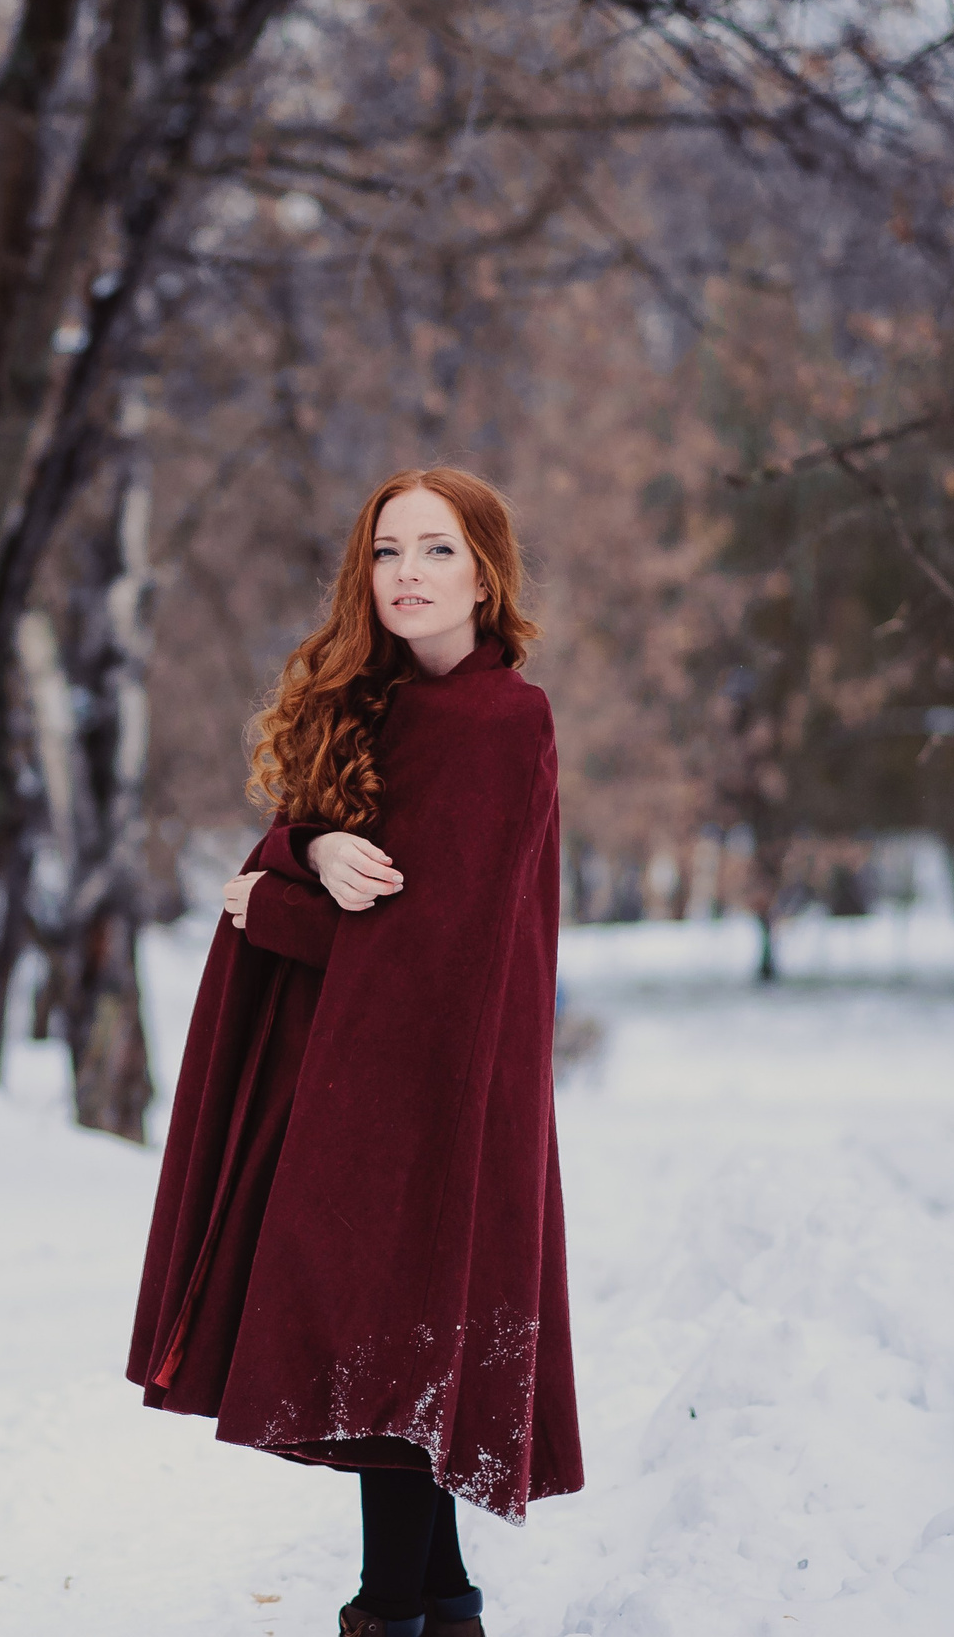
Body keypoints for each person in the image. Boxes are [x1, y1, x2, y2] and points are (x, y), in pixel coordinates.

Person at [125, 467, 583, 1637]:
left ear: (486, 573)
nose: (406, 578)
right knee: (388, 1360)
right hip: (353, 1082)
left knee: (392, 1357)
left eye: (436, 552)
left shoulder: (502, 724)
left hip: (440, 1091)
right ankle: (439, 1603)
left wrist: (271, 903)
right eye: (386, 554)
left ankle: (391, 1612)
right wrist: (314, 852)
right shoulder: (368, 705)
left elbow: (443, 945)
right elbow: (314, 842)